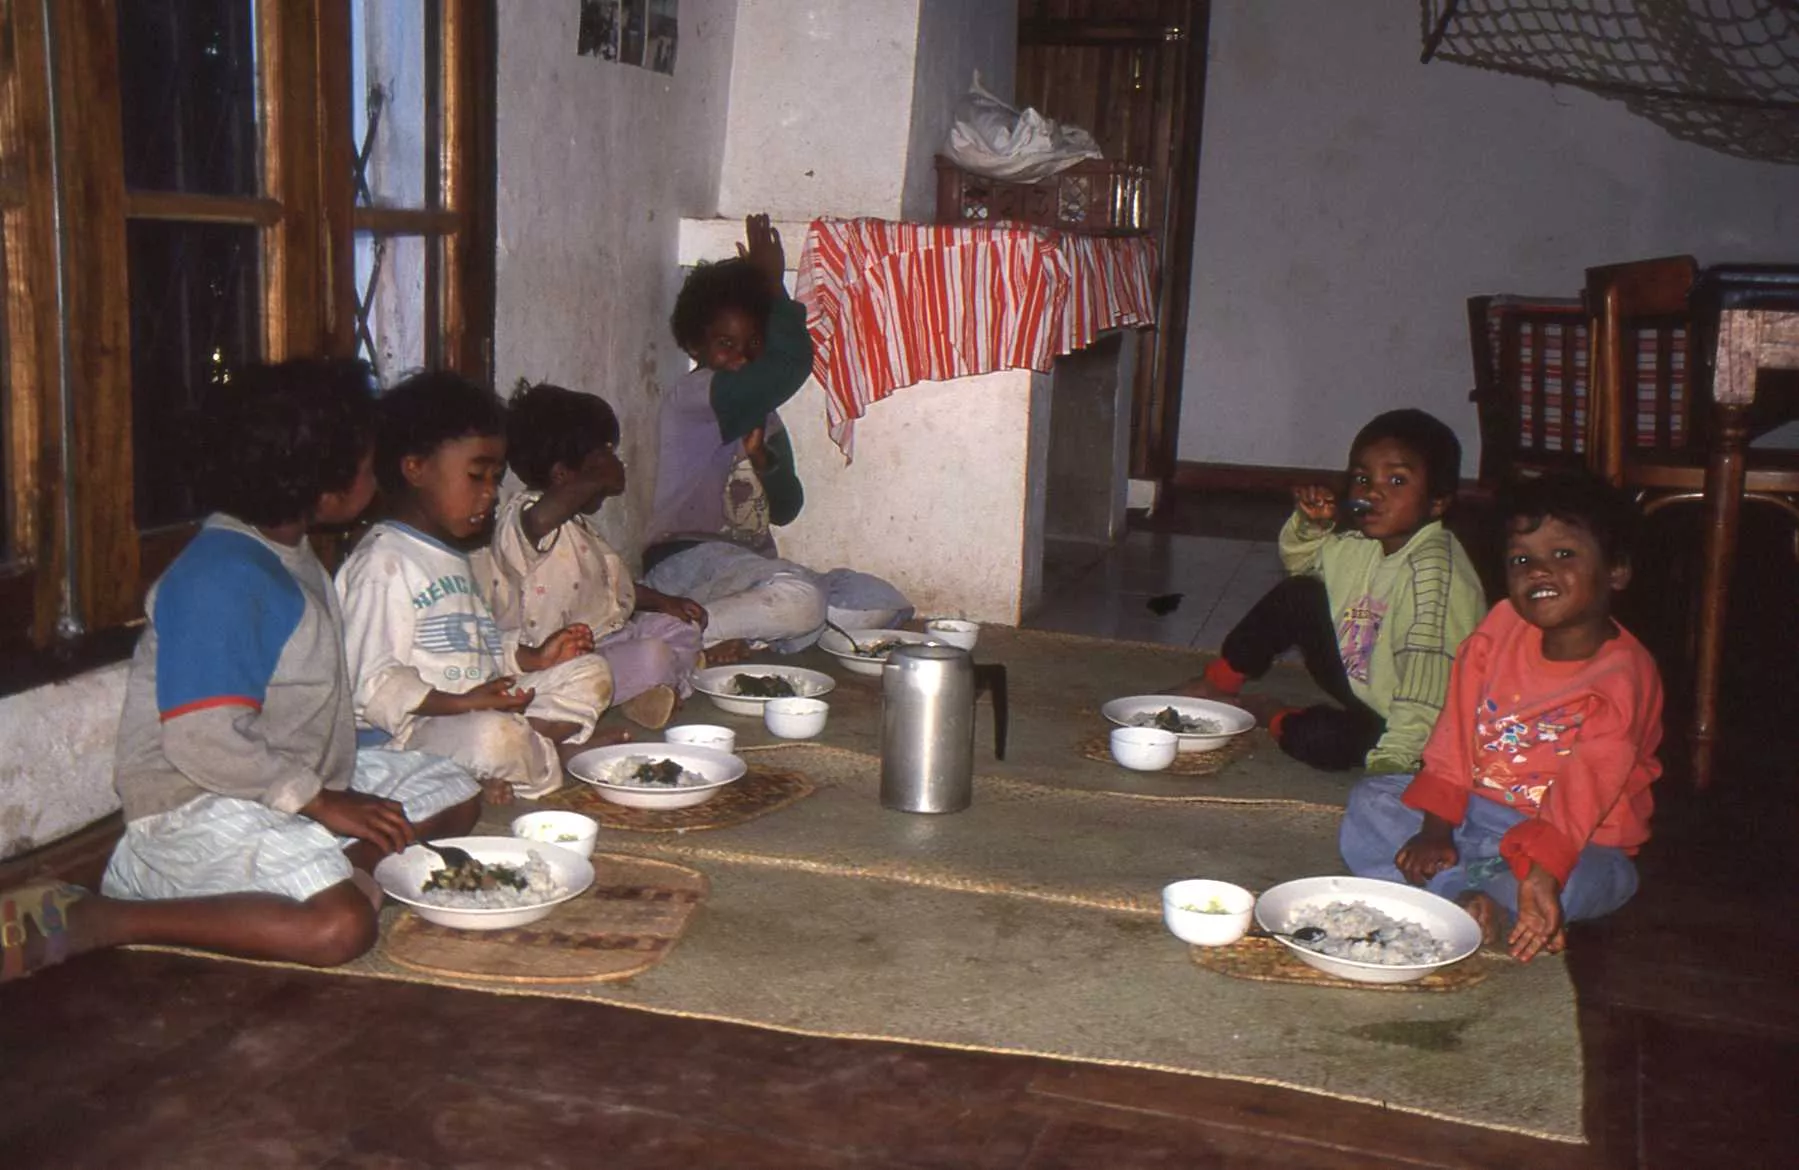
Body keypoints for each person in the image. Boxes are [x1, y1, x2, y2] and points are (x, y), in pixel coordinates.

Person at [1, 359, 484, 983]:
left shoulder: (287, 549)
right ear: (324, 487)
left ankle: (342, 870)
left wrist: (323, 799)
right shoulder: (219, 576)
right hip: (198, 807)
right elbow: (202, 739)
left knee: (455, 790)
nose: (378, 471)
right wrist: (317, 801)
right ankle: (112, 916)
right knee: (340, 928)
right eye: (368, 463)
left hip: (284, 788)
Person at [1339, 473, 1662, 962]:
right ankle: (1463, 895)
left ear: (1616, 570)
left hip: (1579, 836)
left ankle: (1483, 898)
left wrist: (1544, 871)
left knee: (1586, 883)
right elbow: (1453, 735)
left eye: (1564, 555)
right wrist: (1436, 826)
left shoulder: (1624, 676)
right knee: (1372, 801)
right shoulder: (1499, 628)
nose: (1538, 570)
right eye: (1521, 559)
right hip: (1477, 811)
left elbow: (1586, 789)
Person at [336, 371, 615, 800]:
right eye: (476, 476)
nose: (490, 495)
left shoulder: (452, 555)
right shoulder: (383, 563)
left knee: (590, 673)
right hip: (402, 741)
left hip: (469, 708)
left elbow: (471, 647)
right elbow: (372, 684)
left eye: (495, 479)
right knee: (491, 736)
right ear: (415, 468)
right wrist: (463, 704)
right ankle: (547, 759)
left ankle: (517, 757)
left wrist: (531, 657)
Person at [641, 213, 911, 653]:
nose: (742, 359)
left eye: (754, 346)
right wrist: (771, 283)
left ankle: (733, 634)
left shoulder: (764, 416)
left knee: (876, 601)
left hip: (748, 571)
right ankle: (662, 638)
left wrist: (765, 463)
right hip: (684, 563)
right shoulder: (698, 396)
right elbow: (790, 365)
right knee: (802, 602)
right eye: (726, 345)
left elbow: (787, 508)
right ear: (695, 346)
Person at [1180, 409, 1484, 775]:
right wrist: (1311, 528)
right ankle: (1217, 684)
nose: (1373, 491)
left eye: (1397, 481)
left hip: (1427, 726)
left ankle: (1267, 711)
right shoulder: (1365, 543)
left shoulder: (1435, 577)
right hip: (1367, 679)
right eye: (1361, 478)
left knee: (1322, 739)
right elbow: (1304, 569)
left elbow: (1428, 680)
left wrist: (1398, 758)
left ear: (1437, 502)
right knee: (1299, 593)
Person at [479, 380, 707, 730]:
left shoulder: (578, 526)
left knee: (681, 626)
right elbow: (540, 518)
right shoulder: (527, 519)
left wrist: (663, 601)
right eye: (604, 456)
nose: (616, 465)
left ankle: (661, 683)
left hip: (610, 635)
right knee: (653, 656)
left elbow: (611, 583)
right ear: (563, 475)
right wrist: (597, 480)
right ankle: (659, 685)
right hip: (564, 661)